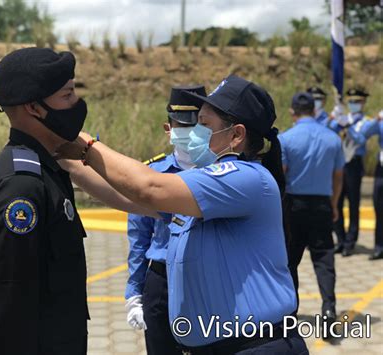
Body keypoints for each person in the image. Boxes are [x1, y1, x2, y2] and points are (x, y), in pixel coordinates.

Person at [56, 75, 308, 354]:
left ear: (236, 135)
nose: (194, 131)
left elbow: (148, 187)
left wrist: (86, 146)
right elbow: (121, 195)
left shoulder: (245, 178)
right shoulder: (203, 187)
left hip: (254, 347)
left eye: (204, 124)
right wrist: (67, 157)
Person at [0, 47, 113, 355]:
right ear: (34, 107)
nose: (77, 103)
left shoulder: (48, 166)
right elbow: (3, 304)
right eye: (68, 95)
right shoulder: (20, 188)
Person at [125, 85, 205, 355]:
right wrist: (134, 292)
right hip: (162, 279)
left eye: (197, 124)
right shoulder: (152, 174)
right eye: (181, 125)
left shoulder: (219, 171)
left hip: (205, 277)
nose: (189, 132)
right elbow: (139, 237)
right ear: (168, 128)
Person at [279, 92, 344, 333]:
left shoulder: (286, 139)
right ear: (315, 112)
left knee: (290, 261)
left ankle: (289, 314)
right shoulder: (332, 138)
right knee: (324, 258)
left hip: (294, 206)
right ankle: (328, 308)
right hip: (322, 205)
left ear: (292, 112)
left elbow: (282, 175)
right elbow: (338, 176)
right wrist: (335, 204)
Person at [329, 87, 374, 256]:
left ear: (363, 103)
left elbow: (361, 139)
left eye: (357, 101)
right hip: (339, 164)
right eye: (351, 101)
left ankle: (350, 241)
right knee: (337, 202)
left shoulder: (367, 122)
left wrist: (347, 127)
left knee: (353, 204)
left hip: (354, 165)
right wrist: (336, 118)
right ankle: (340, 239)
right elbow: (330, 129)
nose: (354, 104)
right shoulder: (343, 118)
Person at [360, 110, 383, 260]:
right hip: (381, 169)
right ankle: (379, 247)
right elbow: (365, 132)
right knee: (379, 207)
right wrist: (377, 119)